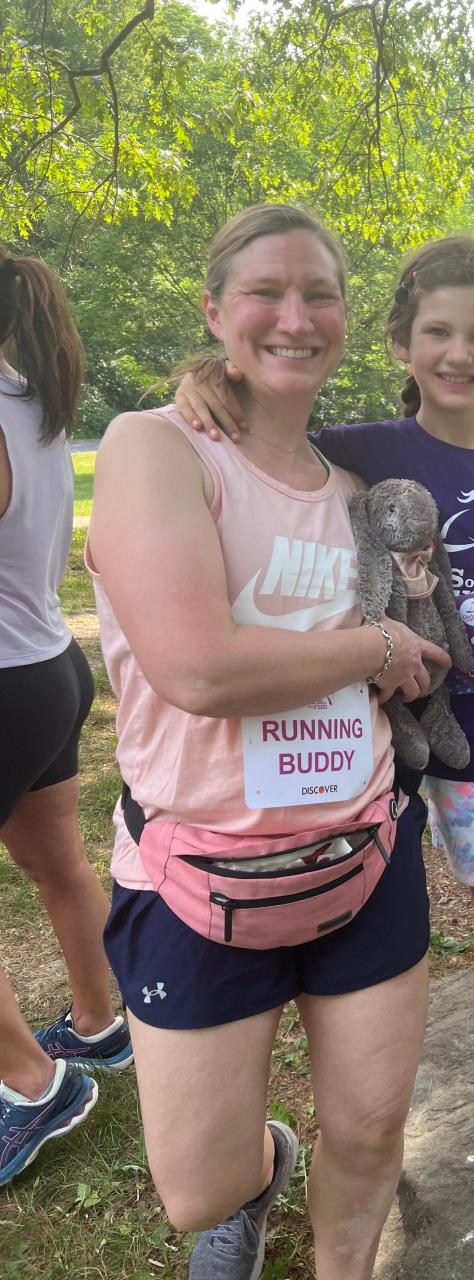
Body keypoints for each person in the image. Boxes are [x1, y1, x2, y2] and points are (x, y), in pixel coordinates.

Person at [176, 235, 474, 1234]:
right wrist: (210, 377)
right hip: (466, 763)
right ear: (402, 342)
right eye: (438, 332)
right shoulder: (369, 449)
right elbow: (261, 422)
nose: (459, 352)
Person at [88, 204, 453, 1280]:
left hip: (367, 849)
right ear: (214, 312)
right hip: (199, 868)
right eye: (265, 292)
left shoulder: (355, 491)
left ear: (347, 318)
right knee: (197, 1185)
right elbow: (199, 668)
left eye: (320, 294)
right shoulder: (153, 447)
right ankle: (262, 1167)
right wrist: (374, 642)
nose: (295, 316)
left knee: (375, 1129)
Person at [0, 252, 132, 1189]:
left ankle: (32, 1084)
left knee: (53, 861)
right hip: (49, 665)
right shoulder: (32, 404)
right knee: (54, 860)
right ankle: (101, 1025)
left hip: (8, 676)